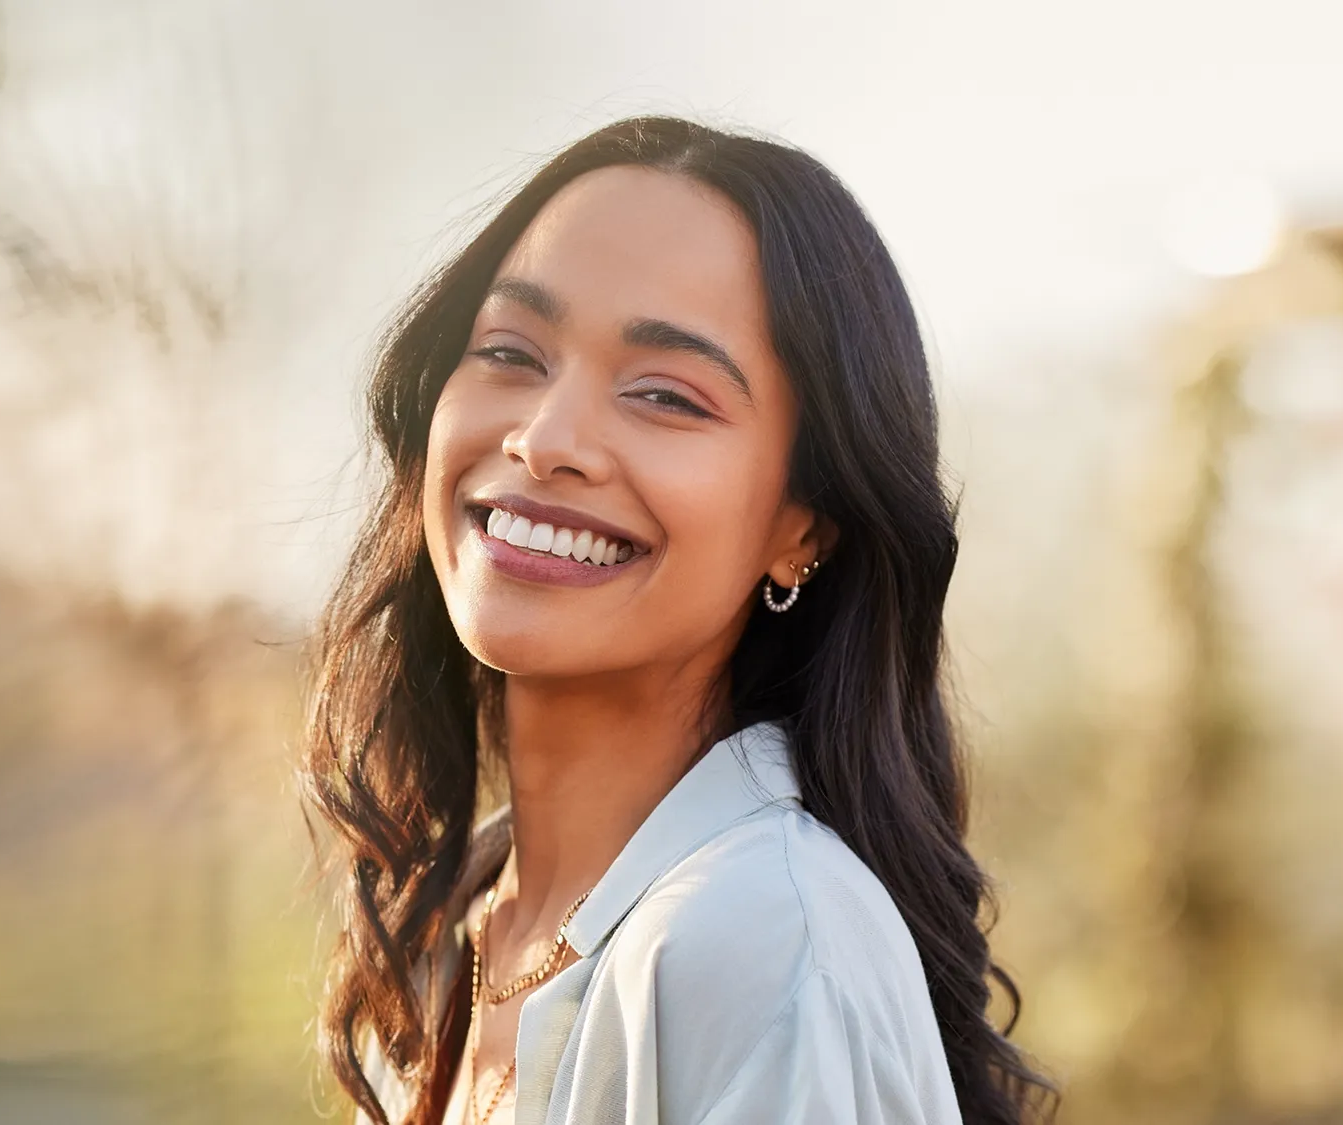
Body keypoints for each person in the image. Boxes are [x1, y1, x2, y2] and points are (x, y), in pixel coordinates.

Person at [301, 114, 1058, 1125]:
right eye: (511, 352)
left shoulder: (761, 938)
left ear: (805, 527)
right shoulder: (459, 926)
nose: (546, 438)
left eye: (665, 395)